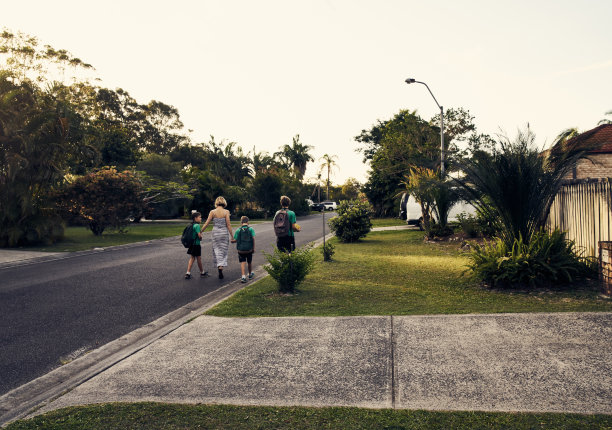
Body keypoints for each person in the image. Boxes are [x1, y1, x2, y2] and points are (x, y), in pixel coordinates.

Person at [201, 196, 235, 279]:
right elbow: (228, 224)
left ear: (216, 202)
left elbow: (207, 223)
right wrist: (232, 236)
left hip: (215, 233)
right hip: (224, 233)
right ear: (224, 202)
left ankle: (219, 265)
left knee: (216, 249)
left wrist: (200, 231)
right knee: (223, 250)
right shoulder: (226, 211)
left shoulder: (212, 212)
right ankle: (221, 266)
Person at [185, 212, 208, 279]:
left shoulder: (192, 225)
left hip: (192, 244)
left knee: (192, 258)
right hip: (196, 245)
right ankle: (202, 272)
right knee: (198, 258)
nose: (201, 218)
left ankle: (188, 273)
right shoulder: (197, 226)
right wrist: (201, 238)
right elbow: (199, 235)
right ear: (195, 218)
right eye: (199, 217)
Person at [234, 216, 256, 283]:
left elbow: (235, 240)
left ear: (241, 222)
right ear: (247, 222)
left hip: (241, 250)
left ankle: (243, 277)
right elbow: (253, 238)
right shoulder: (251, 229)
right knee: (249, 262)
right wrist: (253, 248)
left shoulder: (238, 230)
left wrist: (232, 240)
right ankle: (250, 275)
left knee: (243, 262)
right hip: (249, 249)